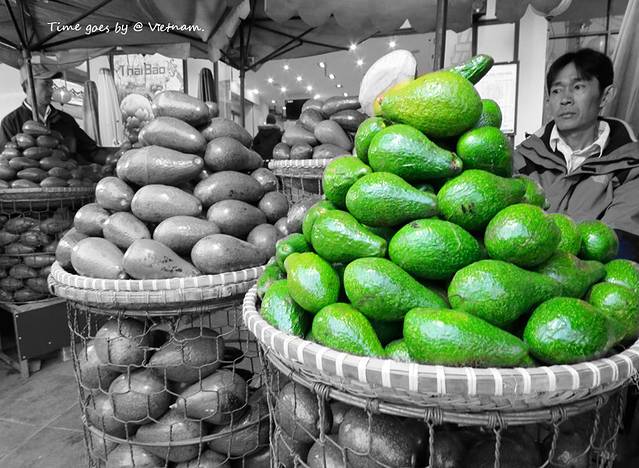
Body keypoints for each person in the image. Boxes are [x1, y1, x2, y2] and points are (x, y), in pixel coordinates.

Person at [514, 48, 639, 260]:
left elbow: (619, 245)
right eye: (556, 90)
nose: (565, 99)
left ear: (605, 95)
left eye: (578, 87)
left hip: (593, 279)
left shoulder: (630, 167)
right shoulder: (522, 159)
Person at [0, 63, 112, 164]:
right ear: (29, 85)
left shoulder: (66, 120)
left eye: (51, 85)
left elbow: (91, 151)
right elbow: (6, 162)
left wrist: (113, 158)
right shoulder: (10, 123)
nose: (51, 90)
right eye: (46, 84)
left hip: (68, 179)